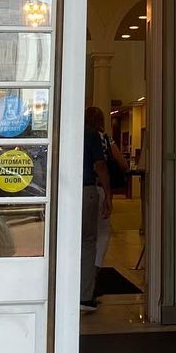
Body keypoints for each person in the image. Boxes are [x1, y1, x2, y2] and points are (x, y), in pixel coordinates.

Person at [86, 106, 128, 275]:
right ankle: (95, 268)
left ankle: (83, 270)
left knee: (85, 232)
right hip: (100, 187)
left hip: (84, 188)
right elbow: (123, 164)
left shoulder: (80, 136)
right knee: (102, 231)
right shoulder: (105, 139)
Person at [81, 109, 112, 313]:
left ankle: (61, 289)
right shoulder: (92, 135)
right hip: (87, 190)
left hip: (63, 192)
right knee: (88, 242)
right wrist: (108, 195)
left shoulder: (64, 130)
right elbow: (100, 165)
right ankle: (84, 295)